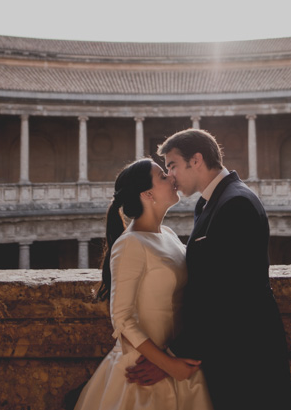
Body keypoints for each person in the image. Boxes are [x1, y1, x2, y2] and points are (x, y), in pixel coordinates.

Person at [126, 129, 291, 409]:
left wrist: (172, 358)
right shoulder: (211, 202)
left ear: (196, 160)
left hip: (246, 358)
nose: (171, 176)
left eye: (172, 166)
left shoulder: (235, 203)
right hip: (229, 353)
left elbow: (227, 297)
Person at [73, 158, 213, 410]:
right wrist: (167, 365)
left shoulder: (168, 235)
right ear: (147, 194)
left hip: (175, 359)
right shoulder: (130, 244)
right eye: (162, 176)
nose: (171, 177)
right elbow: (122, 319)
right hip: (143, 367)